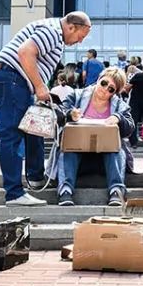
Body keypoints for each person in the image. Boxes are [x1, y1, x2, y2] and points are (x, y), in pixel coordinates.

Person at [0, 12, 92, 207]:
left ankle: (36, 177)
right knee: (11, 135)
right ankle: (14, 194)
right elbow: (25, 52)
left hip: (13, 79)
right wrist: (39, 86)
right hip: (12, 78)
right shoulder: (53, 31)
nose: (79, 42)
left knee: (33, 127)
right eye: (80, 36)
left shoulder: (53, 30)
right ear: (72, 27)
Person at [56, 67, 133, 207]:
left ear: (115, 93)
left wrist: (118, 118)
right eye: (104, 83)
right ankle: (65, 191)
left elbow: (130, 127)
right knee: (68, 148)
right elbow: (59, 113)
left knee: (116, 148)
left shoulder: (119, 105)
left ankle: (116, 191)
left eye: (111, 89)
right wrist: (70, 114)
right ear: (98, 79)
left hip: (106, 158)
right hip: (77, 154)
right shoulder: (77, 95)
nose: (105, 90)